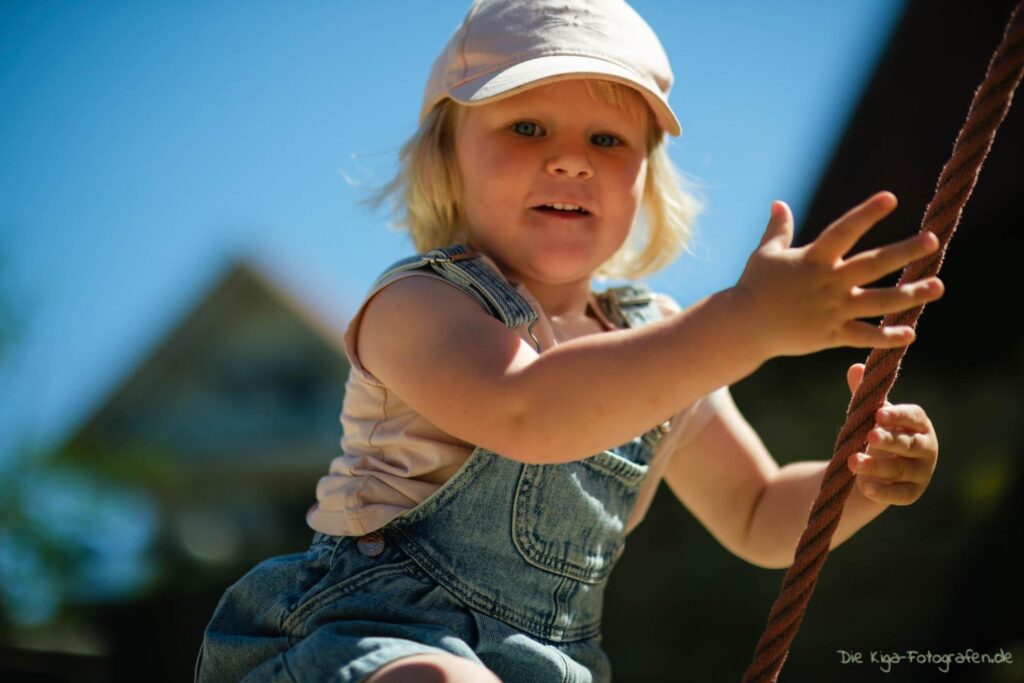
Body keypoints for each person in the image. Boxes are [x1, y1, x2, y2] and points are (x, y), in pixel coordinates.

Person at [197, 1, 942, 681]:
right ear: (448, 156)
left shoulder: (659, 342)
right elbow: (531, 412)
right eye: (527, 128)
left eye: (607, 139)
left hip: (551, 663)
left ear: (645, 180)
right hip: (375, 635)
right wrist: (745, 322)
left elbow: (757, 511)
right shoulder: (419, 304)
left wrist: (860, 478)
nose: (572, 159)